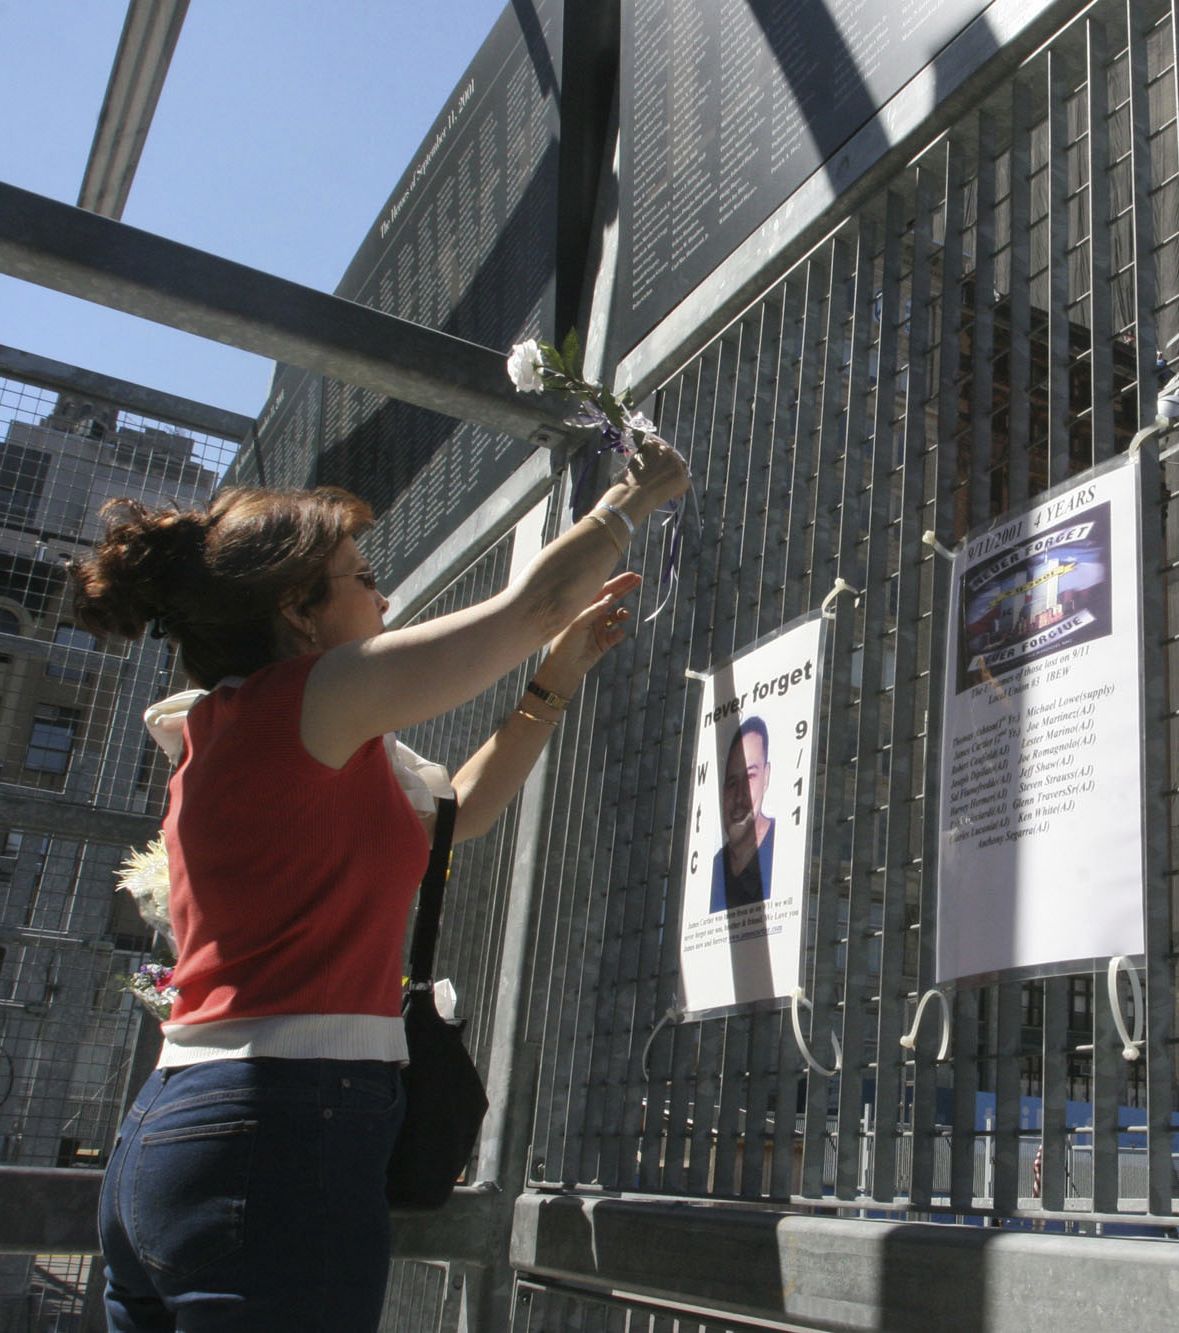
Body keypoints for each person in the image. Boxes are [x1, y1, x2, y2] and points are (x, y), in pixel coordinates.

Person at [70, 438, 688, 1332]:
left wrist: (553, 678)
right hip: (279, 1125)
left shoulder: (244, 734)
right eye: (361, 576)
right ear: (299, 612)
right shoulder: (300, 707)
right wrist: (634, 498)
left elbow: (457, 815)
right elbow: (534, 601)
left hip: (169, 1136)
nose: (385, 594)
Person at [709, 716, 773, 912]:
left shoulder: (784, 850)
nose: (739, 796)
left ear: (766, 777)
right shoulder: (714, 869)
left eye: (750, 776)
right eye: (731, 782)